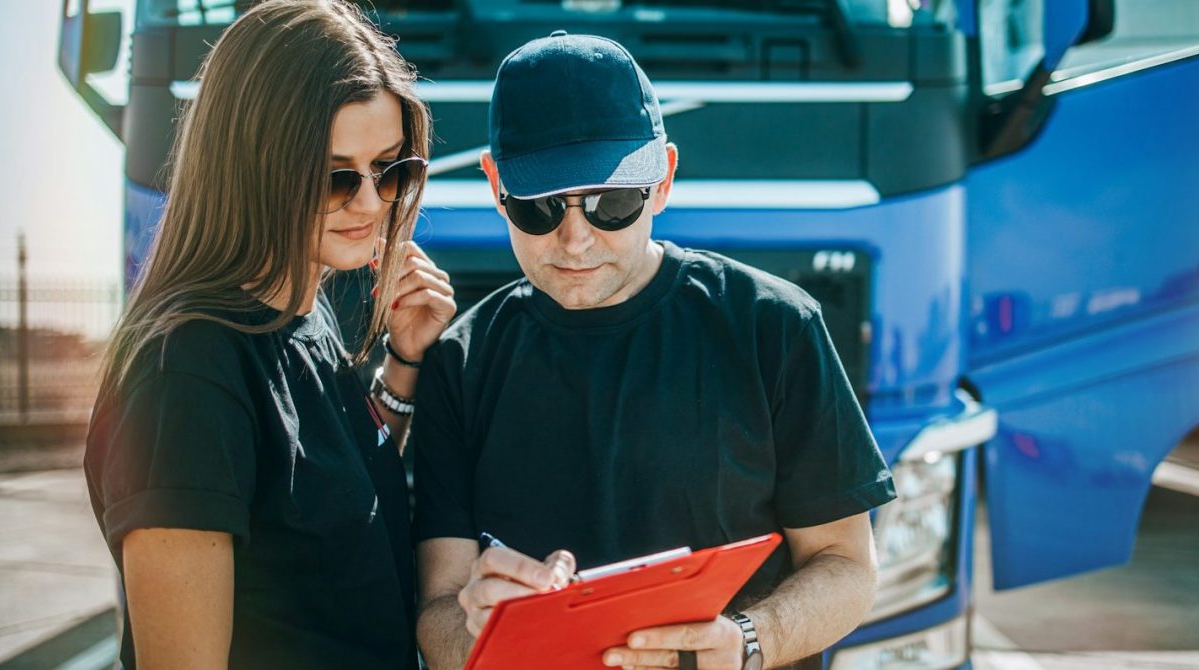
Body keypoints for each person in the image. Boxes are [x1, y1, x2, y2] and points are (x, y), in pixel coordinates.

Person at [412, 31, 896, 670]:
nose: (575, 239)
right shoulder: (461, 360)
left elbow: (847, 563)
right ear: (494, 185)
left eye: (611, 203)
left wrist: (745, 643)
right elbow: (438, 608)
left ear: (662, 179)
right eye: (540, 208)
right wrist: (484, 636)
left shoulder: (774, 326)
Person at [83, 1, 455, 667]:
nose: (371, 203)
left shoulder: (304, 313)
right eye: (335, 177)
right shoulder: (186, 374)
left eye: (391, 169)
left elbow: (327, 499)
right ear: (251, 166)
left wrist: (404, 361)